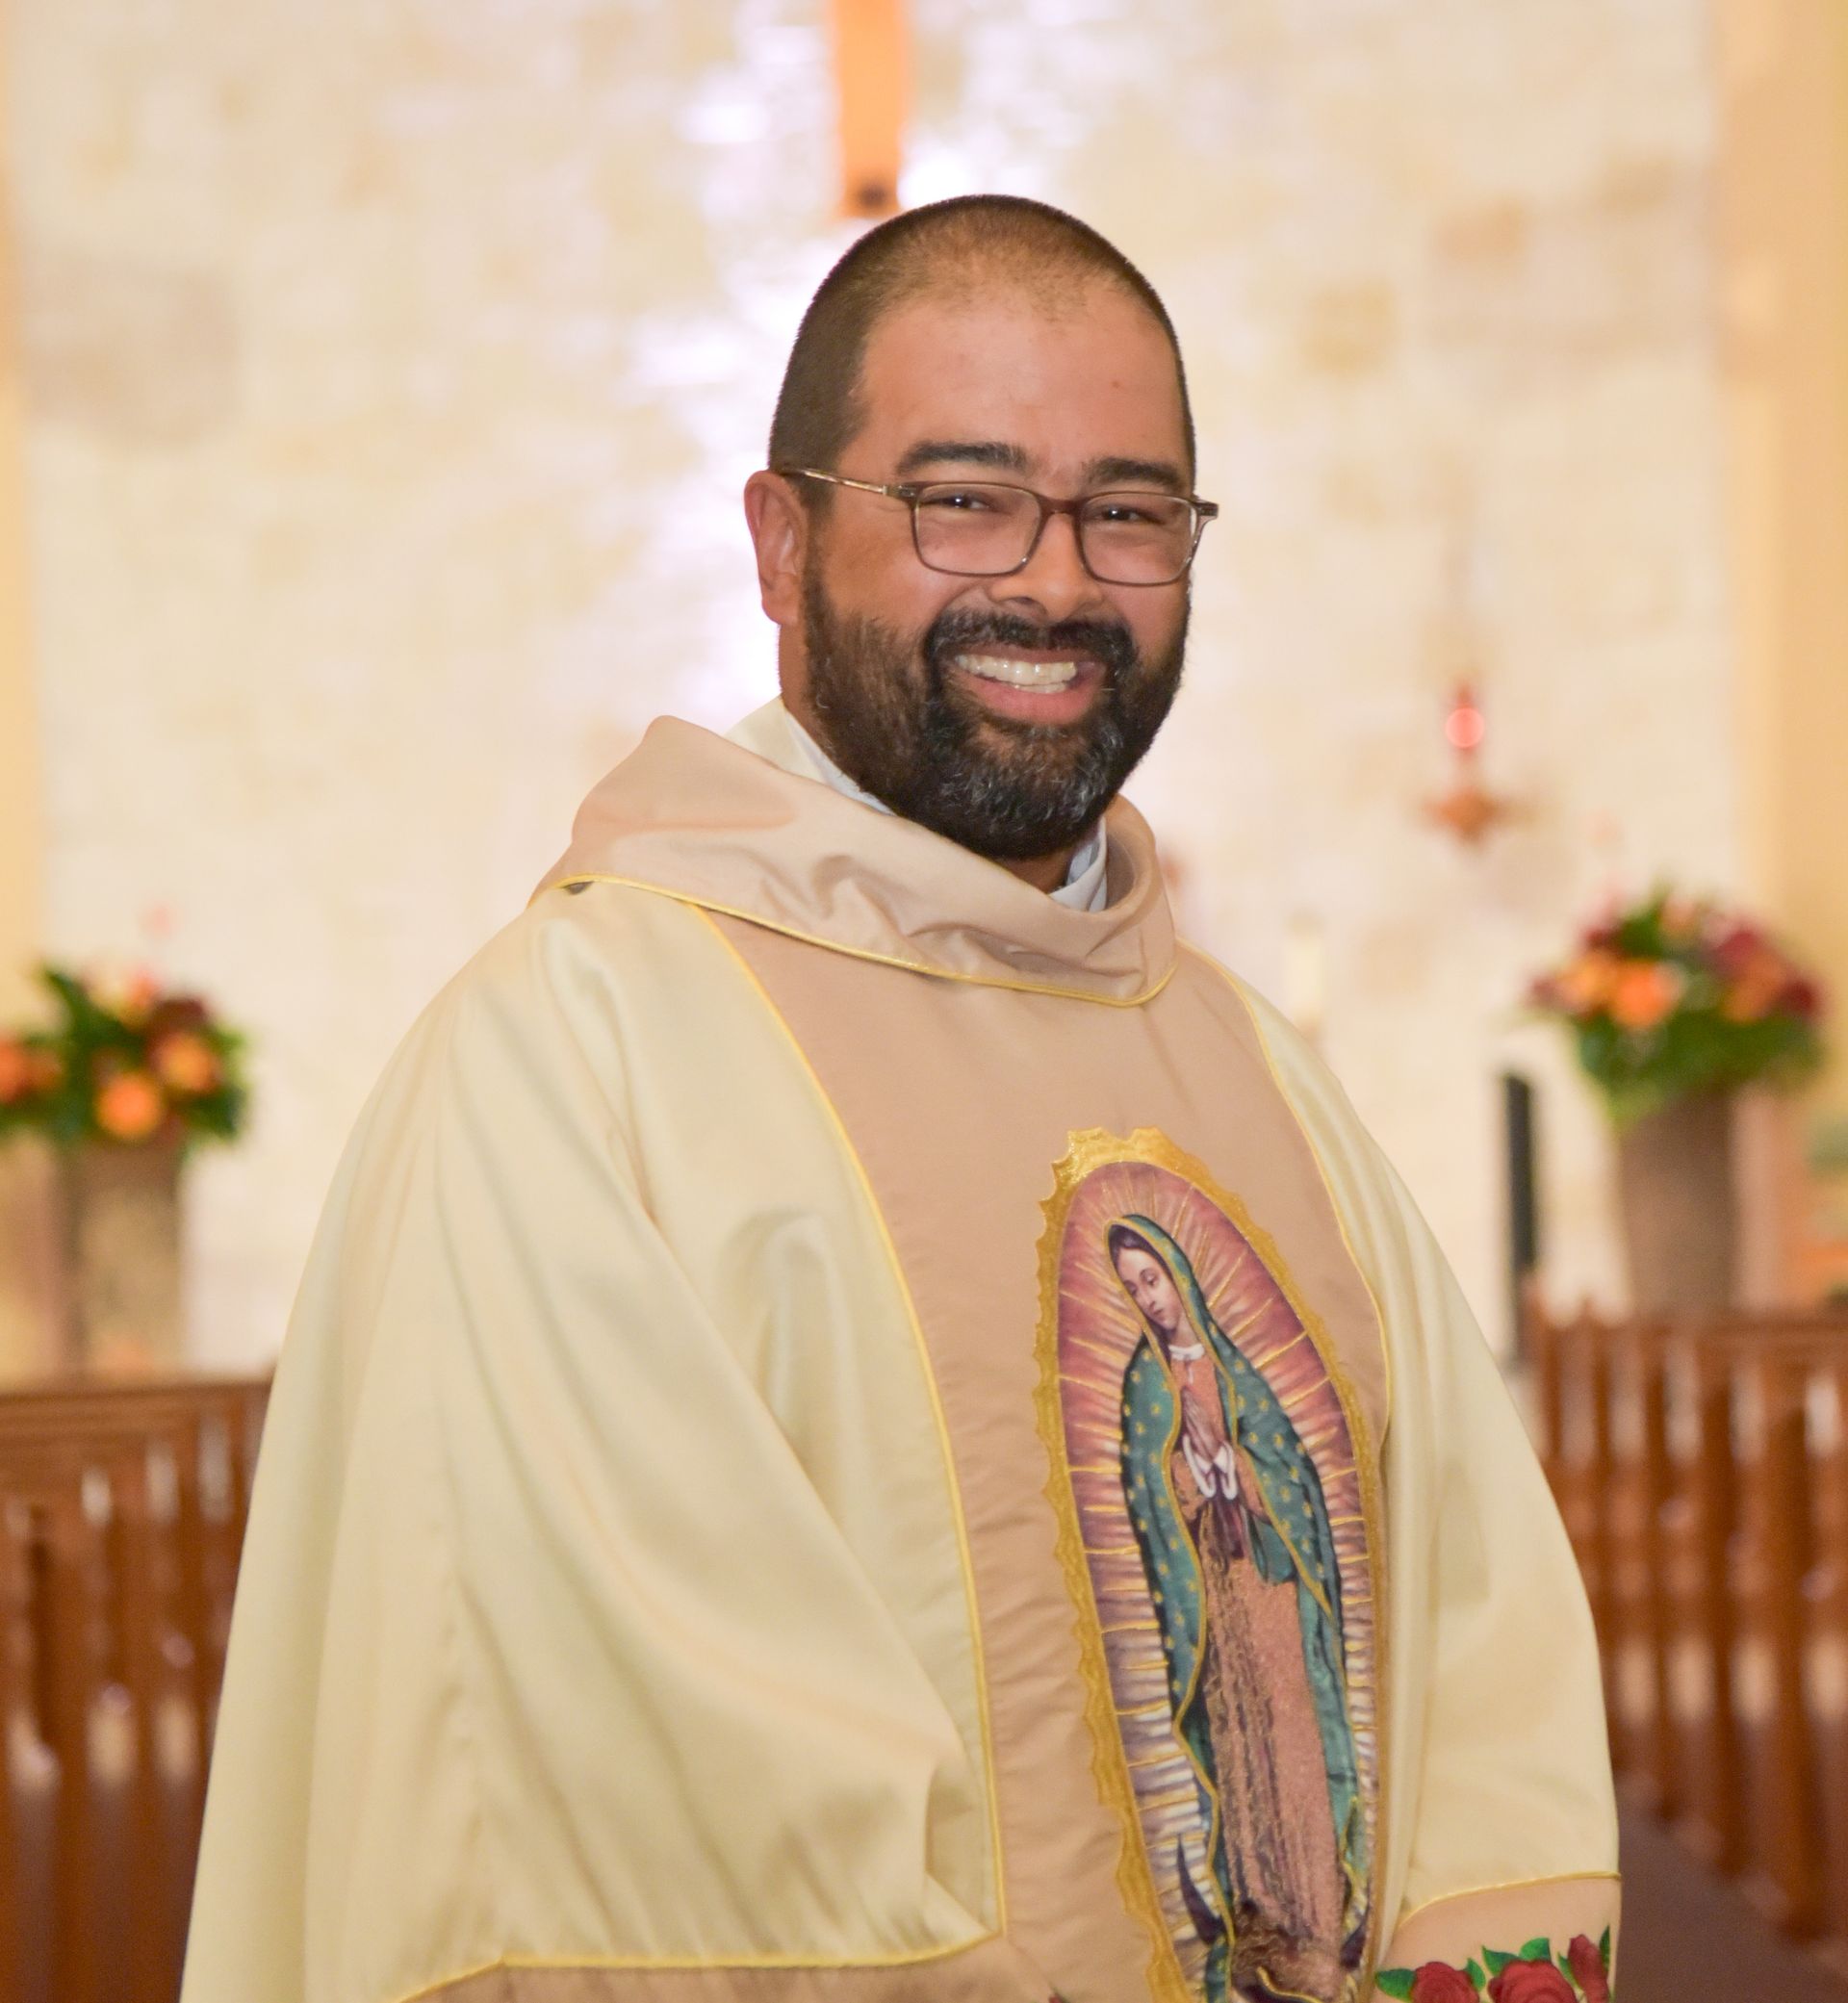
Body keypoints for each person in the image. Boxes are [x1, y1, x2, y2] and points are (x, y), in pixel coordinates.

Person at [181, 196, 1619, 2003]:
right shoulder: (576, 1064)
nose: (1059, 582)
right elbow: (623, 1793)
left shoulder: (1258, 1075)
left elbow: (1474, 1665)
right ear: (783, 544)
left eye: (1131, 510)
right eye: (964, 497)